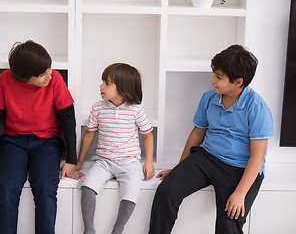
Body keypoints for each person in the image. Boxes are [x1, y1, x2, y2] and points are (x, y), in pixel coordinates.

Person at [148, 44, 274, 234]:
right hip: (207, 157)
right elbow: (198, 133)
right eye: (214, 73)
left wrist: (240, 193)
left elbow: (257, 157)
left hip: (240, 168)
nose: (212, 79)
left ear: (238, 82)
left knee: (229, 222)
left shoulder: (257, 107)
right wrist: (180, 168)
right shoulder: (209, 97)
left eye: (219, 77)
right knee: (167, 190)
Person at [0, 40, 83, 234]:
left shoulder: (54, 80)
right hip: (14, 142)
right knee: (6, 187)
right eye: (42, 74)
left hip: (47, 143)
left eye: (49, 68)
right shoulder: (5, 80)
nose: (50, 75)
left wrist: (72, 159)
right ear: (24, 77)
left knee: (46, 188)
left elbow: (68, 118)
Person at [76, 63, 155, 234]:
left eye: (107, 83)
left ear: (124, 89)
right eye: (102, 81)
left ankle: (118, 229)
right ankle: (89, 229)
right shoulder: (98, 107)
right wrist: (79, 161)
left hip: (129, 162)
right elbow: (89, 134)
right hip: (103, 161)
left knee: (131, 192)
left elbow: (148, 135)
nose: (101, 86)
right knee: (87, 186)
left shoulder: (136, 110)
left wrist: (148, 162)